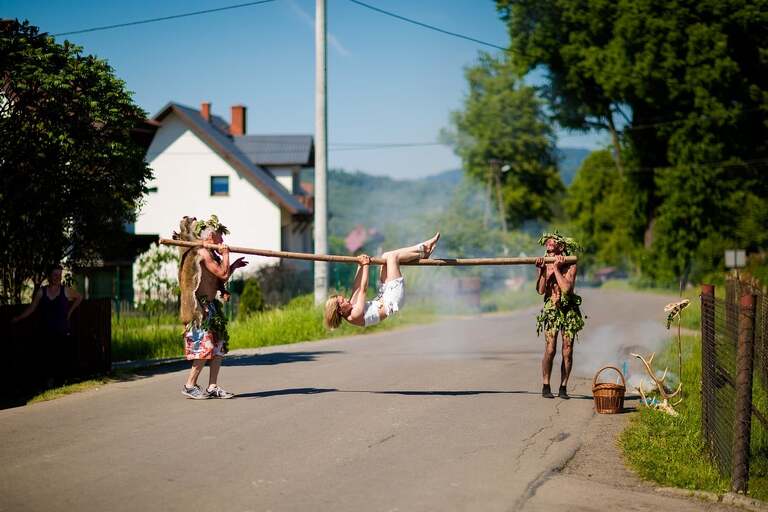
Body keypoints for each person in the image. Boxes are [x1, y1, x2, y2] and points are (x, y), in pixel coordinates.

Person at [180, 215, 247, 400]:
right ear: (210, 237)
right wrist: (226, 255)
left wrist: (232, 266)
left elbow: (217, 279)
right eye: (219, 236)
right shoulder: (202, 253)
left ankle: (212, 386)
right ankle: (189, 385)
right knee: (204, 347)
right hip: (200, 309)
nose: (222, 240)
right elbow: (223, 275)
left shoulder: (211, 253)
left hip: (211, 308)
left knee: (218, 347)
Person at [324, 233, 440, 329]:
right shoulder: (354, 315)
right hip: (392, 299)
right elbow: (363, 290)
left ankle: (422, 252)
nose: (346, 299)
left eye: (343, 298)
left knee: (385, 256)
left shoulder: (350, 306)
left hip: (384, 295)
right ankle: (422, 248)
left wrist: (360, 266)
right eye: (342, 301)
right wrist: (365, 265)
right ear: (339, 310)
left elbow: (357, 287)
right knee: (392, 257)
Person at [12, 265, 82, 386]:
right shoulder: (42, 291)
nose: (57, 277)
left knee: (62, 356)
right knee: (47, 357)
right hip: (47, 330)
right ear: (49, 275)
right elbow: (32, 308)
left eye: (59, 275)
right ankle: (49, 382)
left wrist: (69, 312)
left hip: (62, 329)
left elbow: (79, 297)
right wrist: (19, 318)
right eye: (55, 274)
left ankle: (62, 382)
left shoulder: (65, 290)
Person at [534, 231, 584, 399]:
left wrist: (556, 268)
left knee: (567, 351)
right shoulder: (544, 263)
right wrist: (542, 272)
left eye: (554, 242)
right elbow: (541, 291)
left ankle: (563, 387)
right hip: (551, 310)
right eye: (548, 243)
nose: (550, 244)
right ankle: (546, 385)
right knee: (550, 349)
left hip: (568, 310)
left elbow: (566, 289)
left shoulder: (570, 264)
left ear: (561, 247)